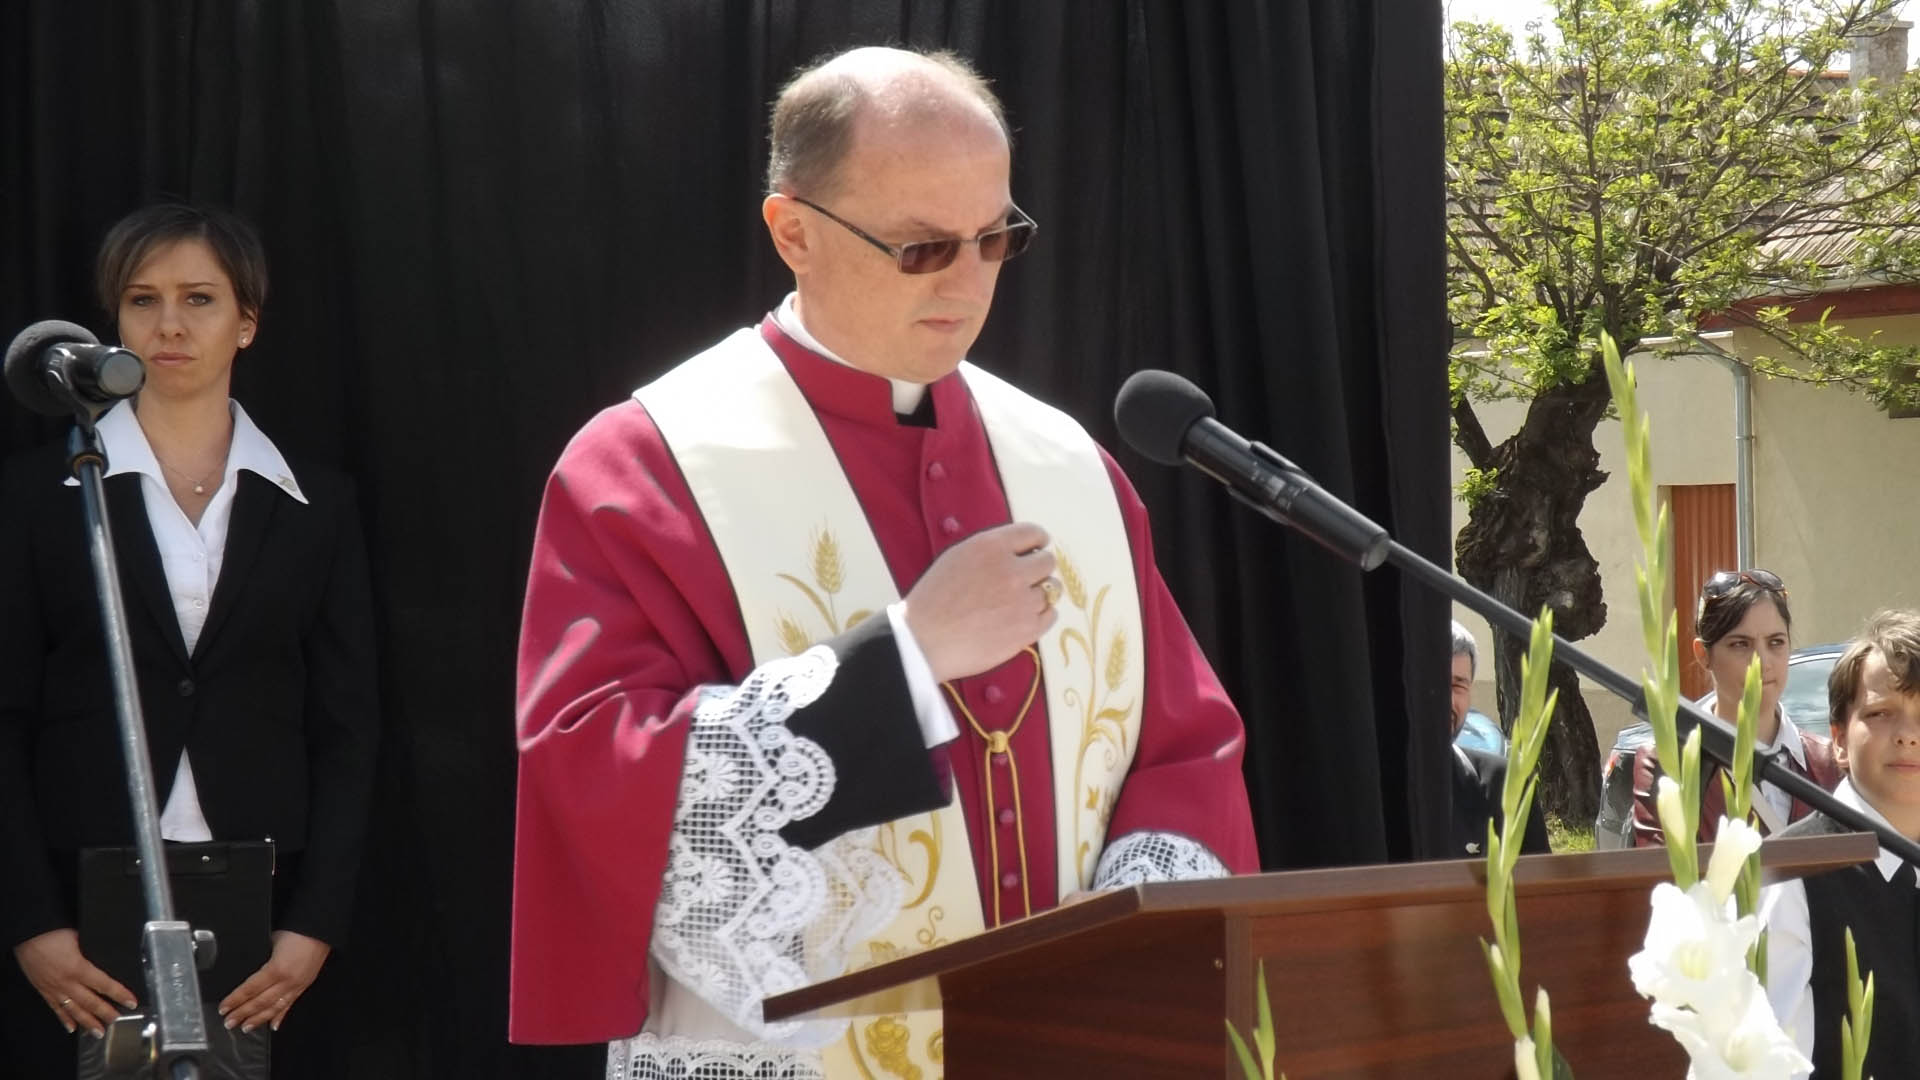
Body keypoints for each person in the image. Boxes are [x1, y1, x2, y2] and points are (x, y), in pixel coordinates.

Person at [509, 46, 1259, 1077]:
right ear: (795, 232)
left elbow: (1186, 748)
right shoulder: (649, 464)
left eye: (996, 237)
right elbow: (596, 777)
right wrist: (903, 660)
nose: (969, 278)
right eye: (922, 246)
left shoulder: (1067, 464)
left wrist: (1128, 936)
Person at [0, 203, 380, 1078]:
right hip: (77, 905)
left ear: (247, 322)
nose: (169, 324)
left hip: (264, 905)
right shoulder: (37, 496)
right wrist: (31, 922)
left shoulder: (316, 505)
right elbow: (4, 717)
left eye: (199, 299)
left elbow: (348, 729)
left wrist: (315, 924)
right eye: (143, 300)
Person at [1764, 611, 1920, 1077]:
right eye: (1880, 713)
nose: (1908, 735)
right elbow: (1777, 1062)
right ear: (1837, 738)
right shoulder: (1792, 873)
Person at [1630, 569, 1840, 846]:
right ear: (1703, 654)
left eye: (1776, 642)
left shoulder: (1830, 762)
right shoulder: (1668, 762)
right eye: (1740, 644)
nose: (1762, 662)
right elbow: (1663, 868)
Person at [1447, 621, 1549, 857]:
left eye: (1458, 685)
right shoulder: (1367, 789)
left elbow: (1539, 878)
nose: (1448, 699)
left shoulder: (1505, 783)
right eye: (1433, 683)